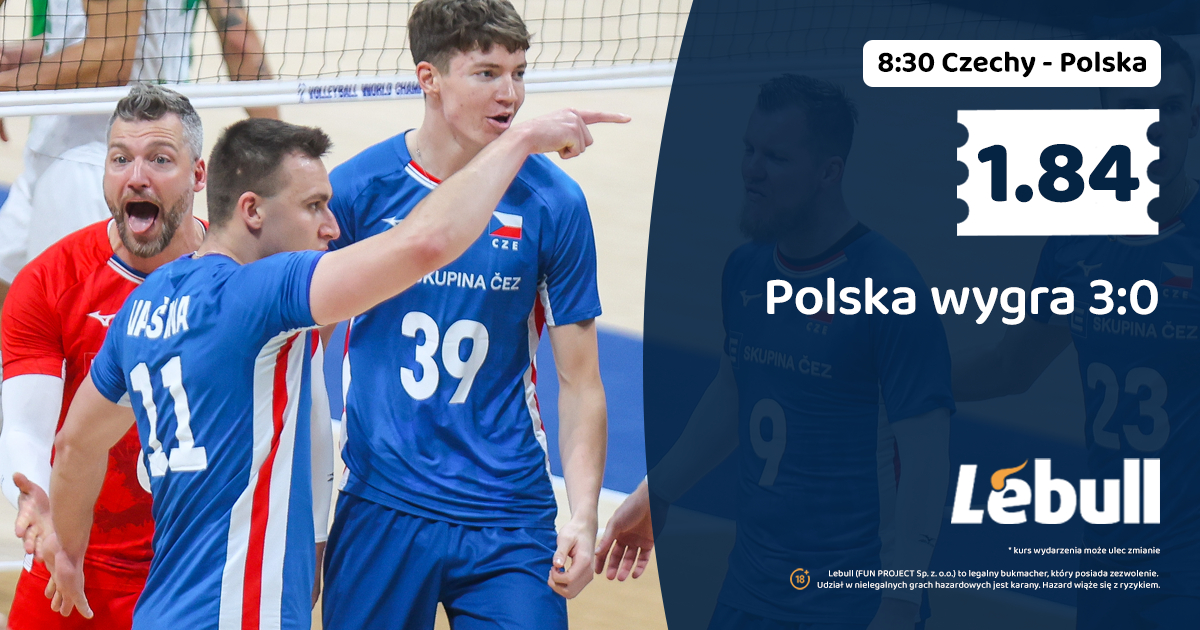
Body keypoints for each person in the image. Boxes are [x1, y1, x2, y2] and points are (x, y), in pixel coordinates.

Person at [42, 109, 623, 629]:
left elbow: (73, 446)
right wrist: (520, 140)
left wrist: (66, 552)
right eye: (314, 206)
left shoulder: (143, 305)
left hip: (161, 611)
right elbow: (424, 244)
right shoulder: (263, 297)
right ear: (252, 211)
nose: (333, 227)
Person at [595, 75, 954, 630]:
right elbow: (734, 391)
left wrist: (901, 601)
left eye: (776, 158)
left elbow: (927, 456)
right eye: (750, 150)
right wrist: (658, 490)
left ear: (829, 172)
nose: (752, 170)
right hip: (751, 588)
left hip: (852, 605)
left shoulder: (889, 283)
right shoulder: (747, 270)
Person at [318, 1, 614, 628]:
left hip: (509, 515)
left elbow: (581, 382)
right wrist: (309, 512)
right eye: (486, 73)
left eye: (519, 73)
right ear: (429, 78)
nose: (511, 94)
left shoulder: (553, 202)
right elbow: (298, 351)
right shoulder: (358, 190)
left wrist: (584, 516)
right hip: (381, 502)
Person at [0, 83, 335, 630]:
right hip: (72, 557)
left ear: (199, 176)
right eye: (120, 159)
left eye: (159, 159)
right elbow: (26, 425)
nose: (137, 177)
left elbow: (310, 418)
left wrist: (315, 538)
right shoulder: (49, 281)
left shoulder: (254, 283)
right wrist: (36, 497)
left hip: (199, 569)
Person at [952, 31, 1200, 629]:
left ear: (1194, 121)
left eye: (1170, 107)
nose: (1155, 126)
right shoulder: (1075, 241)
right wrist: (896, 379)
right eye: (1134, 108)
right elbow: (1012, 367)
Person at [0, 0, 279, 313]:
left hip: (92, 165)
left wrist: (7, 87)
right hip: (111, 155)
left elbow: (109, 59)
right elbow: (239, 41)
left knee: (71, 326)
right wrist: (280, 159)